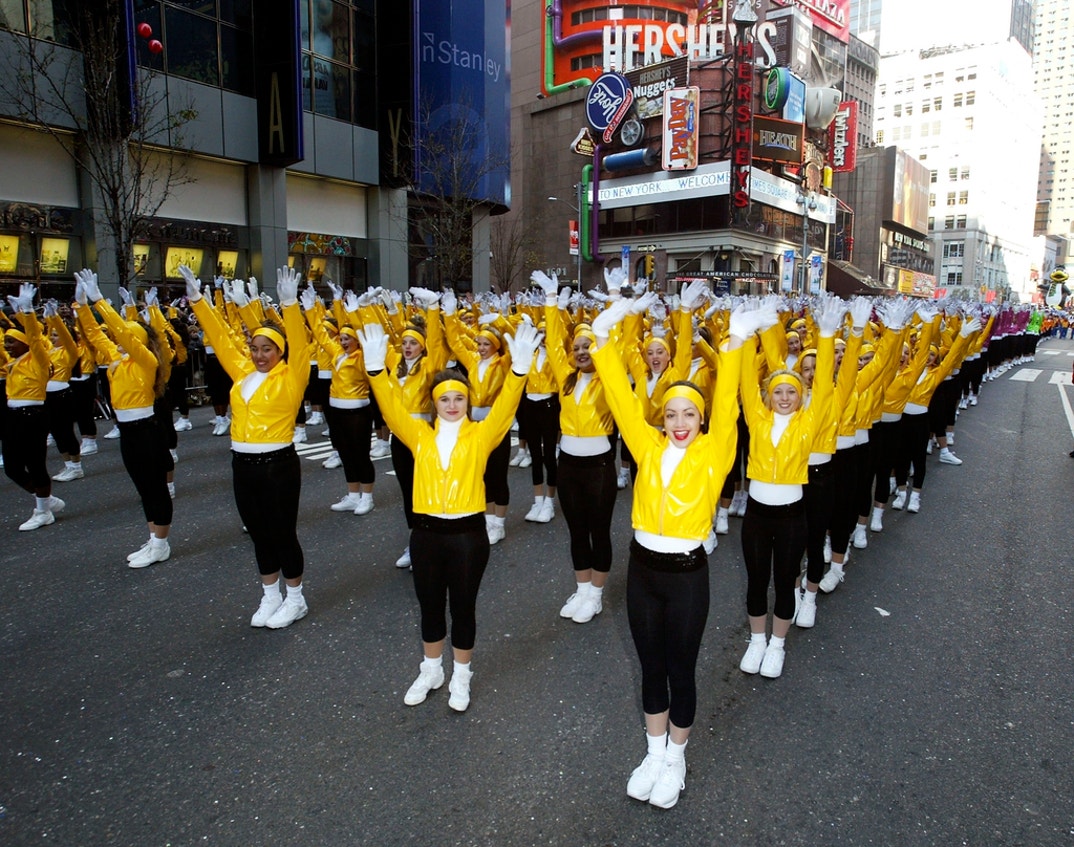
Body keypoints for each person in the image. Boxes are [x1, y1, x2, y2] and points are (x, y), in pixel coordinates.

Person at [588, 283, 747, 809]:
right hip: (642, 572)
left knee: (681, 668)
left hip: (686, 575)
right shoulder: (646, 446)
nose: (680, 423)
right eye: (672, 414)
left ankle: (676, 758)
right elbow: (618, 393)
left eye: (689, 415)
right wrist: (605, 338)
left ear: (701, 420)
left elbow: (729, 405)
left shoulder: (714, 453)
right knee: (650, 666)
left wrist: (736, 347)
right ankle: (654, 752)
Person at [357, 318, 541, 712]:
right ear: (434, 403)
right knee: (428, 604)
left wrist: (520, 371)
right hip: (425, 534)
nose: (453, 405)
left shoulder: (482, 434)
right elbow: (390, 408)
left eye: (459, 398)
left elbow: (507, 405)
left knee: (462, 606)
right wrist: (376, 372)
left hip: (467, 536)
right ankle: (431, 669)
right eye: (445, 399)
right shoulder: (418, 435)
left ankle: (461, 675)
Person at [182, 265, 314, 628]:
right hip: (242, 463)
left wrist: (288, 305)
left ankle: (295, 598)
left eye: (267, 349)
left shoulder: (292, 376)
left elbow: (300, 346)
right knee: (257, 532)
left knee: (282, 533)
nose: (259, 355)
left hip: (278, 466)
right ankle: (270, 595)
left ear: (280, 352)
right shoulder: (242, 373)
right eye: (255, 348)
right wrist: (198, 300)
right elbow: (221, 338)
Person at [737, 294, 844, 679]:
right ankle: (757, 641)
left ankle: (778, 645)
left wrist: (828, 335)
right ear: (768, 396)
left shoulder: (808, 422)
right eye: (778, 391)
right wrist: (749, 335)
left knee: (785, 581)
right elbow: (747, 379)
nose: (785, 397)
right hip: (757, 515)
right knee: (755, 581)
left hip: (792, 516)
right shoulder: (757, 418)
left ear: (801, 398)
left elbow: (828, 388)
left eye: (792, 392)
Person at [532, 270, 622, 624]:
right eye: (578, 348)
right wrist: (551, 303)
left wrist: (614, 299)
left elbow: (615, 341)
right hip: (568, 463)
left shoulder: (608, 378)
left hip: (599, 465)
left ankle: (596, 595)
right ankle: (582, 588)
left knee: (598, 530)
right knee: (576, 529)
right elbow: (554, 345)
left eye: (588, 346)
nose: (582, 352)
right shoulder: (566, 378)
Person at [73, 271, 172, 567]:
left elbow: (124, 334)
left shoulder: (146, 361)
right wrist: (81, 306)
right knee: (142, 487)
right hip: (128, 431)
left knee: (154, 487)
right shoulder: (117, 361)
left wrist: (101, 301)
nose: (117, 341)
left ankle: (161, 544)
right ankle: (153, 538)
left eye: (126, 337)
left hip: (147, 430)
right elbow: (95, 335)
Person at [3, 284, 65, 530]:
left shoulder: (38, 359)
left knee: (36, 463)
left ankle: (42, 511)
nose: (7, 346)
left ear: (25, 344)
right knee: (12, 468)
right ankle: (46, 499)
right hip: (13, 416)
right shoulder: (14, 363)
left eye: (11, 342)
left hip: (34, 415)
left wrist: (27, 312)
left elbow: (37, 339)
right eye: (6, 342)